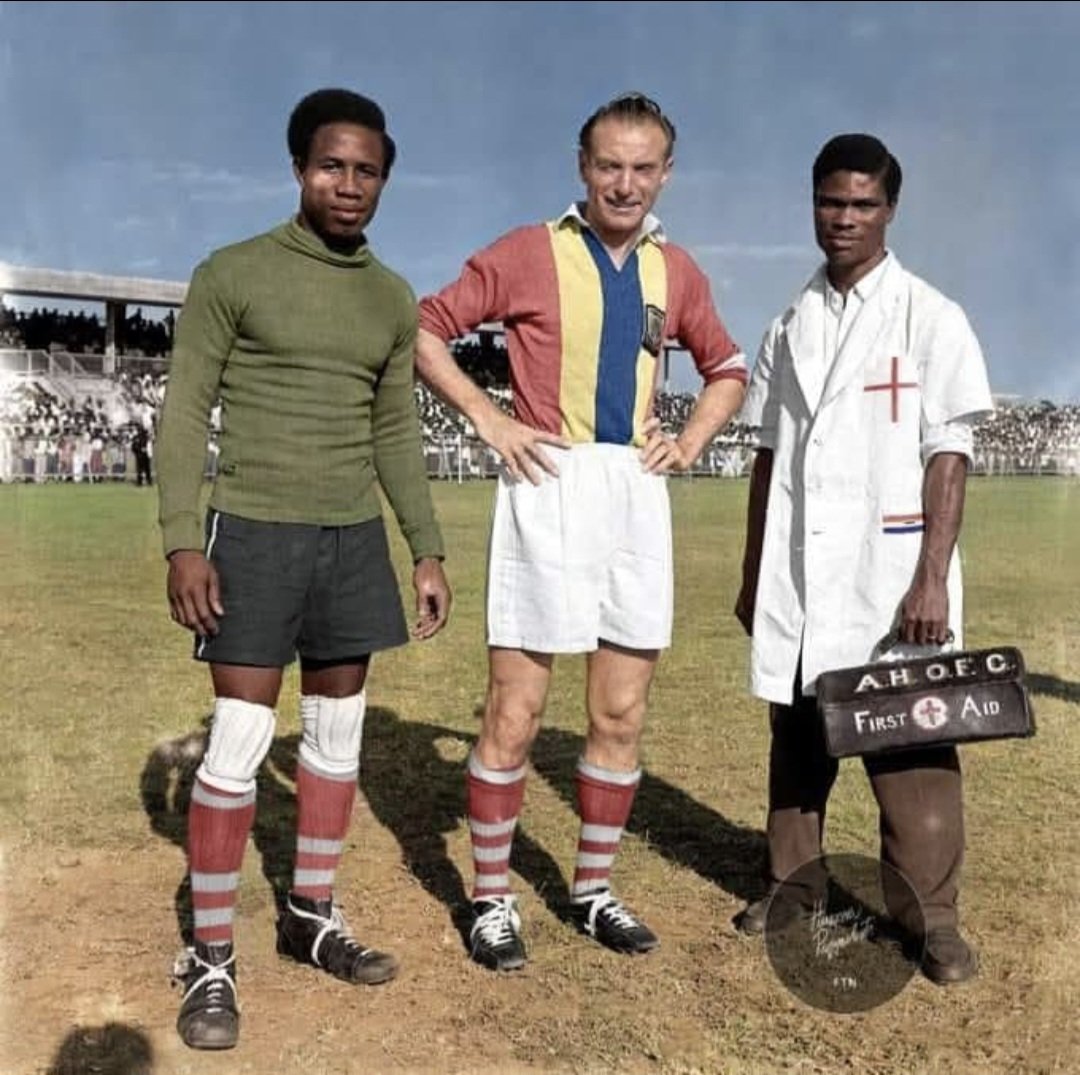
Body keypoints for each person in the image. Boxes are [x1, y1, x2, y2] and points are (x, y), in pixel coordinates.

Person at [416, 92, 747, 972]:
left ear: (666, 173)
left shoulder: (677, 271)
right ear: (582, 167)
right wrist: (490, 418)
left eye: (642, 168)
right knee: (515, 711)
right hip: (547, 483)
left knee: (620, 710)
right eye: (609, 165)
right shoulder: (530, 251)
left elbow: (728, 367)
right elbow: (426, 328)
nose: (624, 184)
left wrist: (690, 440)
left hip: (634, 492)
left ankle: (593, 889)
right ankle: (492, 898)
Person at [156, 87, 451, 1050]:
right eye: (332, 166)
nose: (349, 184)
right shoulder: (232, 272)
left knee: (334, 736)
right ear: (297, 168)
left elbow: (395, 430)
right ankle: (210, 956)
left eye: (367, 171)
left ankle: (311, 913)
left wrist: (426, 546)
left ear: (384, 180)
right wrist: (183, 541)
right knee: (241, 739)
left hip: (350, 539)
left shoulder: (391, 296)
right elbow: (183, 411)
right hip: (252, 533)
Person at [733, 134, 993, 985]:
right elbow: (767, 456)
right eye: (830, 202)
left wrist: (930, 576)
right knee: (798, 738)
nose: (843, 218)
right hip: (803, 571)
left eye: (862, 204)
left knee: (912, 744)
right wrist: (754, 572)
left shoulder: (930, 316)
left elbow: (948, 452)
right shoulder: (788, 324)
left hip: (889, 572)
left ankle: (933, 920)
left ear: (890, 209)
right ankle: (791, 888)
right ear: (812, 203)